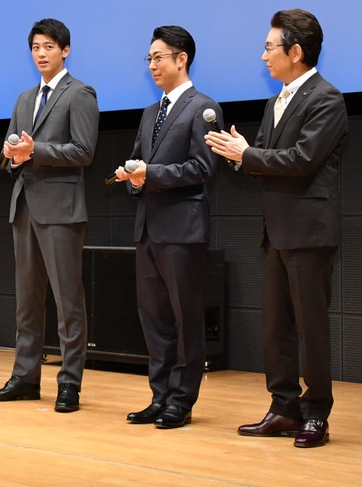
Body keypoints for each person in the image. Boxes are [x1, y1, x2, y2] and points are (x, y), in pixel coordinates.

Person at [205, 9, 347, 448]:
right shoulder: (275, 101)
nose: (263, 55)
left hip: (309, 229)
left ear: (296, 51)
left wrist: (248, 155)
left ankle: (317, 413)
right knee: (275, 327)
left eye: (270, 47)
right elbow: (266, 161)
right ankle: (283, 408)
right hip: (276, 229)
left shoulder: (327, 99)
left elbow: (302, 161)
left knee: (310, 326)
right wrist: (237, 154)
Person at [0, 18, 99, 412]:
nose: (41, 53)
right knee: (27, 301)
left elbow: (84, 152)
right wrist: (13, 157)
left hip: (61, 209)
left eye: (48, 46)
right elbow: (10, 151)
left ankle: (69, 384)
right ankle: (26, 377)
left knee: (68, 302)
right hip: (24, 205)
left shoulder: (80, 93)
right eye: (35, 47)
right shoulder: (24, 98)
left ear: (65, 50)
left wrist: (36, 151)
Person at [114, 26, 222, 429]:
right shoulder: (149, 113)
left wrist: (150, 172)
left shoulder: (203, 107)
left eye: (159, 57)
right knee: (154, 318)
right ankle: (159, 395)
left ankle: (182, 399)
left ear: (182, 59)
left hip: (182, 230)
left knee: (185, 317)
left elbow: (203, 168)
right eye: (150, 59)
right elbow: (139, 161)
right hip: (148, 229)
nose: (153, 65)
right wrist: (130, 174)